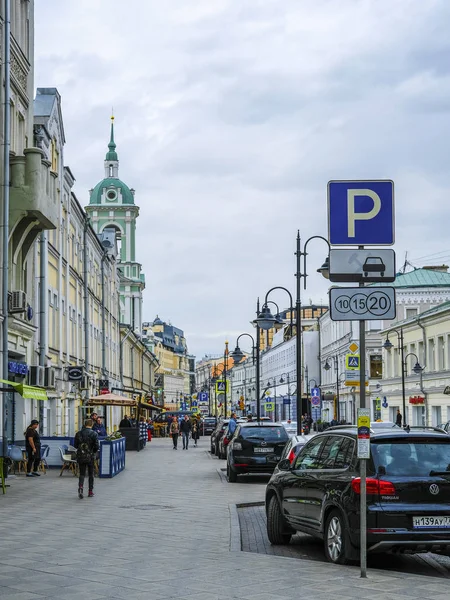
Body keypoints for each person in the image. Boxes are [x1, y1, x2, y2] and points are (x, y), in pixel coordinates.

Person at [74, 418, 99, 499]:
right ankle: (90, 491)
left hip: (81, 456)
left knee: (82, 473)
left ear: (85, 424)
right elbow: (96, 446)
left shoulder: (78, 433)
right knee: (91, 474)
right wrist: (93, 452)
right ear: (91, 425)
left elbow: (75, 445)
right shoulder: (94, 434)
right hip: (90, 456)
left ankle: (81, 487)